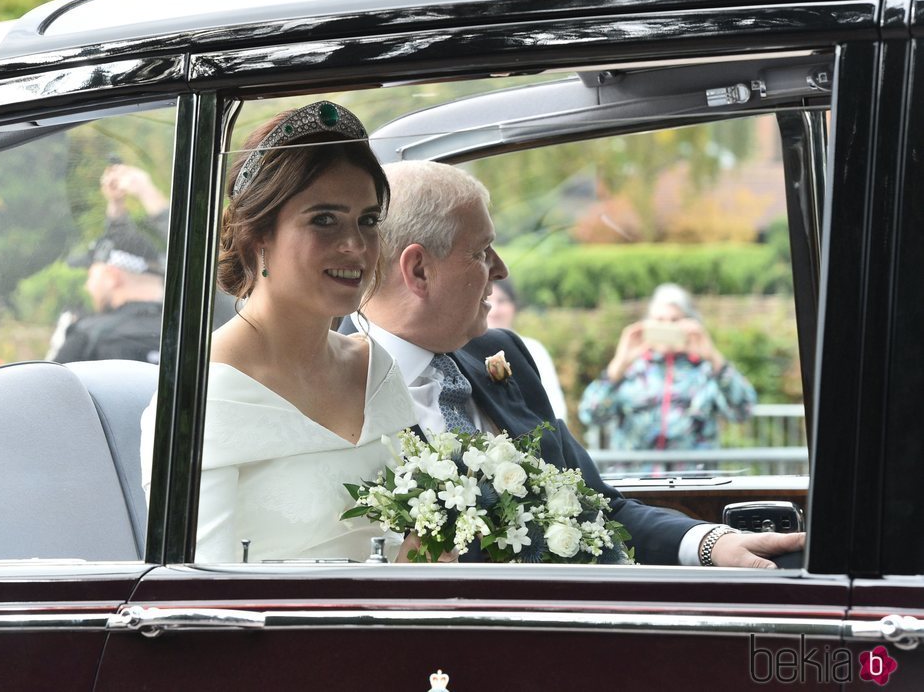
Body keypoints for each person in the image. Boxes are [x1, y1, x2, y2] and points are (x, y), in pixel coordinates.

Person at [342, 160, 802, 568]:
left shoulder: (502, 356)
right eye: (482, 252)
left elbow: (599, 507)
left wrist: (708, 542)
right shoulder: (332, 388)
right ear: (419, 270)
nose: (501, 271)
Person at [141, 101, 419, 563]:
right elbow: (193, 601)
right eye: (324, 220)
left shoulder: (375, 369)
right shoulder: (200, 393)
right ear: (258, 234)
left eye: (367, 221)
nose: (355, 246)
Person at [577, 283, 757, 466]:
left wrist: (714, 358)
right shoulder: (630, 370)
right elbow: (590, 414)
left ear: (689, 323)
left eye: (674, 320)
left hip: (695, 486)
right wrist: (618, 365)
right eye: (660, 320)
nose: (667, 326)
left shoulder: (706, 371)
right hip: (634, 486)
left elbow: (743, 411)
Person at [50, 220, 165, 364]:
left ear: (112, 277)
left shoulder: (90, 337)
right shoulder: (190, 332)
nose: (87, 286)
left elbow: (49, 384)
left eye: (91, 276)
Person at [486, 277, 567, 420]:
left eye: (502, 301)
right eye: (487, 300)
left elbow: (555, 406)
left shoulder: (533, 349)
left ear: (514, 306)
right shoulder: (461, 350)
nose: (495, 309)